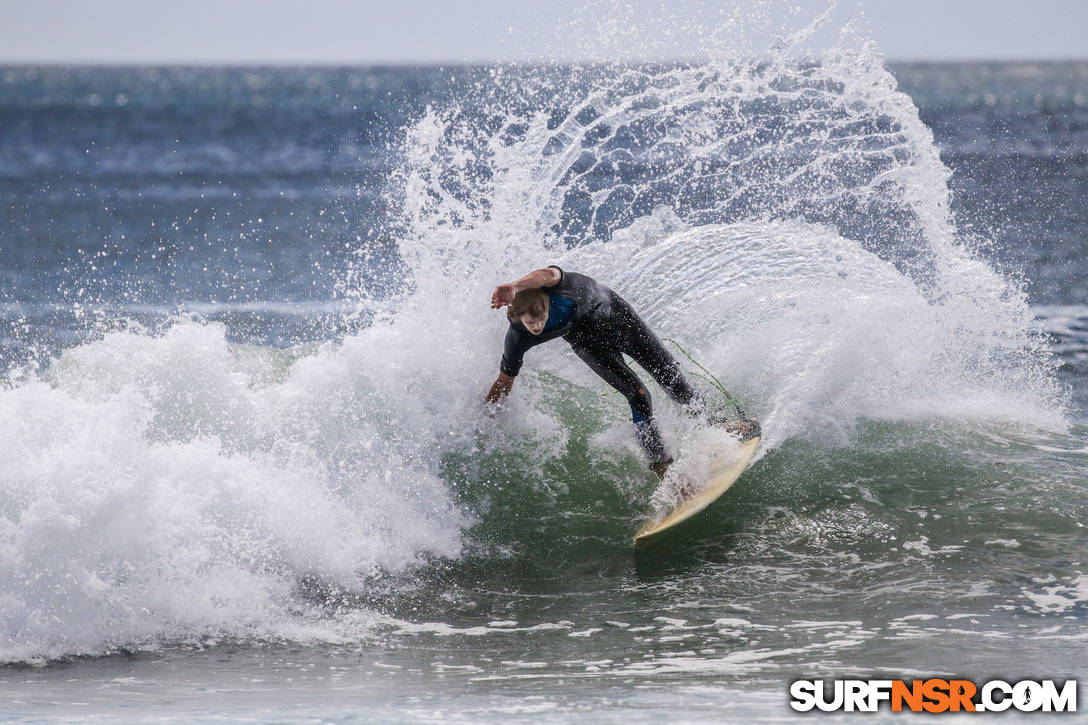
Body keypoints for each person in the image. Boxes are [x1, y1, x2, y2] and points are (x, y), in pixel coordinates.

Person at [485, 265, 757, 479]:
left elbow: (546, 273)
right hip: (589, 345)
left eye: (542, 318)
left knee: (671, 378)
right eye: (532, 324)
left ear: (548, 299)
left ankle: (715, 427)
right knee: (638, 396)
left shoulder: (563, 287)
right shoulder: (519, 336)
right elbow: (504, 379)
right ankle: (662, 467)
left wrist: (514, 286)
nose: (538, 327)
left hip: (622, 321)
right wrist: (486, 417)